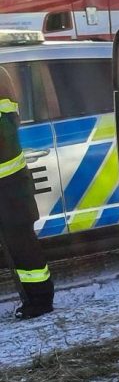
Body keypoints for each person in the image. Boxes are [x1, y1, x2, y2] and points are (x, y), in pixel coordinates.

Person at [0, 65, 52, 319]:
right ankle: (34, 298)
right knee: (18, 248)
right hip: (11, 187)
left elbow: (7, 134)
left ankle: (40, 300)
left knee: (23, 248)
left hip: (10, 190)